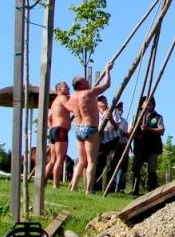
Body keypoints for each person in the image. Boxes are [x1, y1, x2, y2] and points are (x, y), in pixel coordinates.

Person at [66, 62, 112, 194]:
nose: (88, 81)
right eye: (85, 80)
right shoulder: (89, 93)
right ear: (80, 85)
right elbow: (107, 84)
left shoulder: (71, 98)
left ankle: (74, 186)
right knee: (92, 161)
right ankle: (89, 189)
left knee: (81, 161)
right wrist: (107, 70)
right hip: (90, 127)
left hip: (78, 129)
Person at [130, 95, 164, 195]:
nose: (148, 104)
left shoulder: (158, 117)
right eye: (146, 102)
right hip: (139, 147)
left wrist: (148, 129)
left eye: (150, 102)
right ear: (141, 104)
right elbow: (131, 130)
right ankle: (134, 190)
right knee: (136, 169)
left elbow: (161, 130)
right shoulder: (136, 116)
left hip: (153, 147)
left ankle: (152, 190)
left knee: (152, 169)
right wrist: (137, 134)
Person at [44, 81, 72, 188]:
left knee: (52, 159)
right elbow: (70, 108)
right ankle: (56, 185)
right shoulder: (62, 98)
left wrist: (51, 127)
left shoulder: (55, 102)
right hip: (61, 130)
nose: (68, 88)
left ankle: (44, 181)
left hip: (53, 130)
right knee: (60, 158)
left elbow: (49, 118)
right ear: (59, 90)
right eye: (66, 86)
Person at [94, 95, 120, 192]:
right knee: (99, 164)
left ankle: (110, 188)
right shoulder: (94, 112)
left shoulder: (112, 111)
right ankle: (97, 186)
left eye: (104, 100)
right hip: (100, 141)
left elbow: (117, 126)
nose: (103, 102)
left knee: (111, 165)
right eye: (100, 100)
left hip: (112, 140)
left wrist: (111, 119)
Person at [108, 101, 130, 193]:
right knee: (112, 166)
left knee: (123, 167)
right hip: (114, 144)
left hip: (123, 144)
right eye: (118, 108)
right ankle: (111, 186)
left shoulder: (124, 121)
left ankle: (120, 188)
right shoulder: (111, 119)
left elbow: (127, 134)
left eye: (121, 107)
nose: (120, 109)